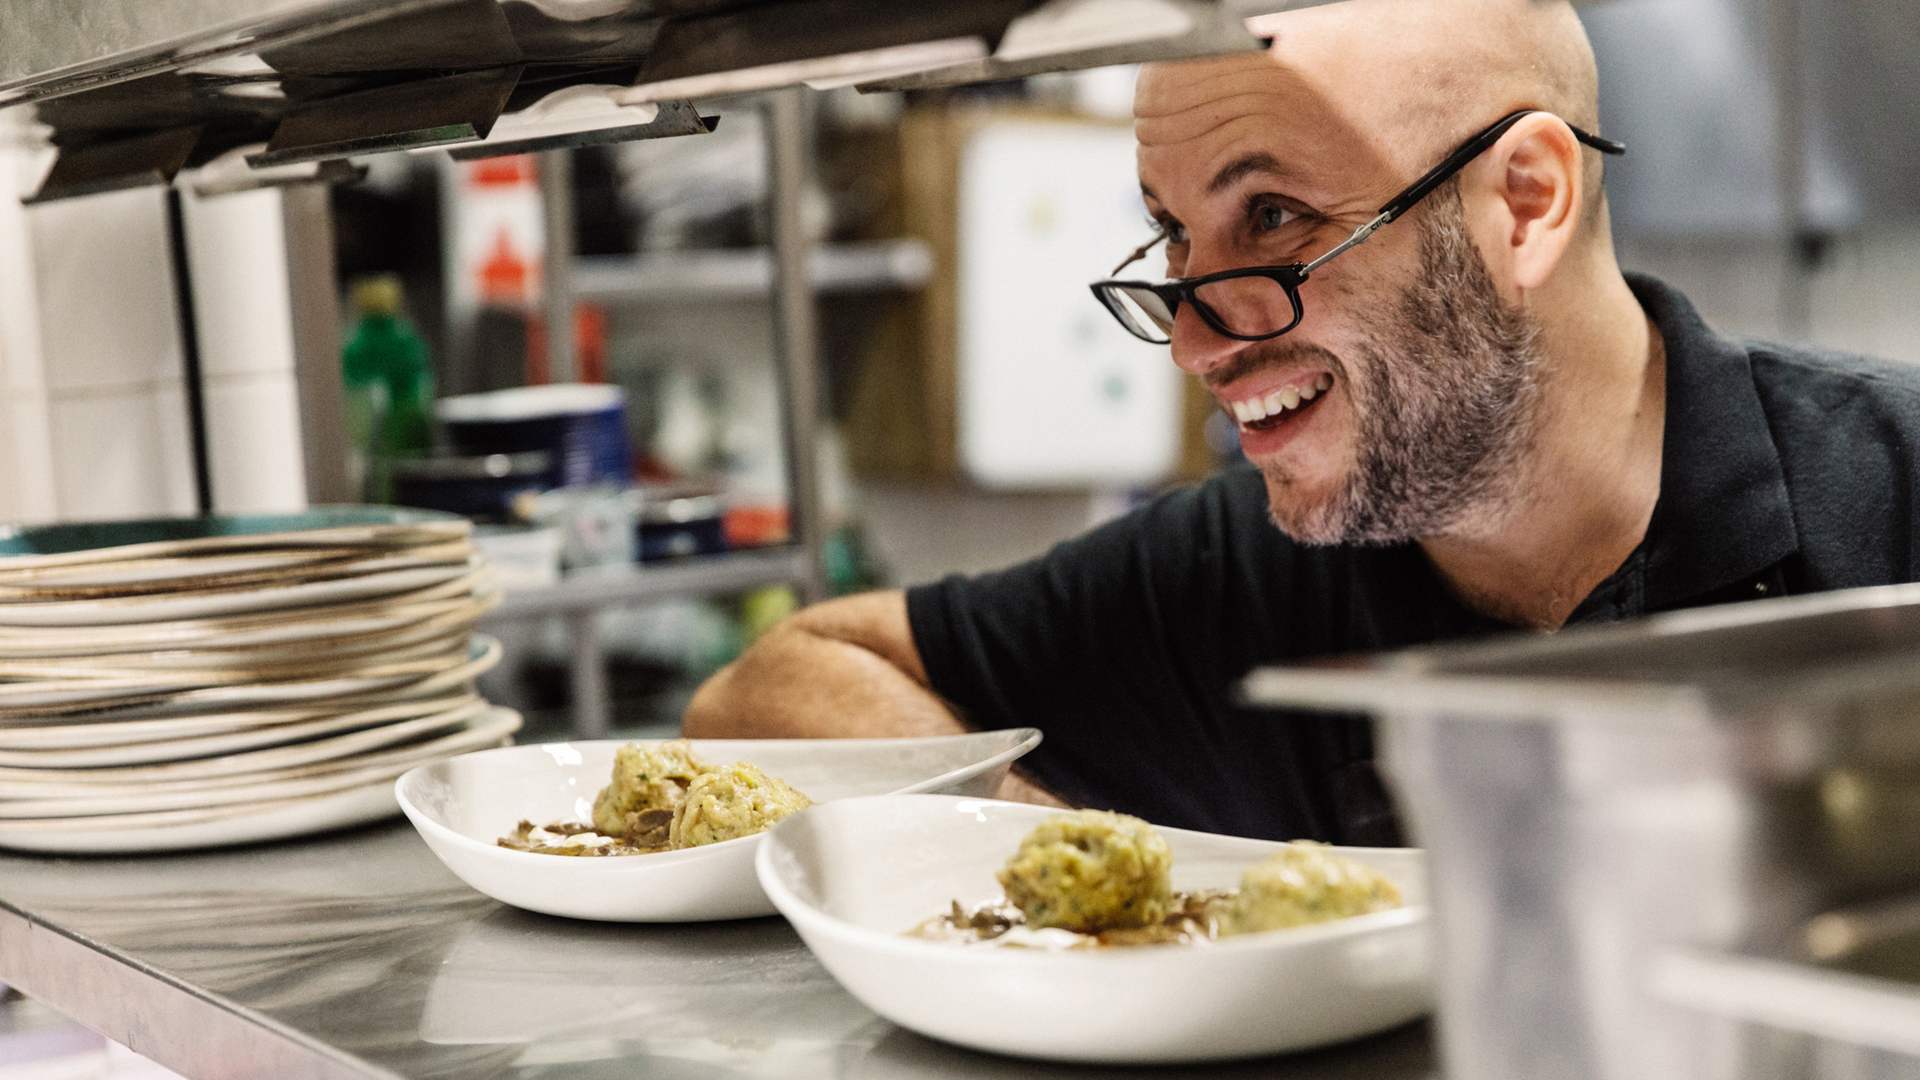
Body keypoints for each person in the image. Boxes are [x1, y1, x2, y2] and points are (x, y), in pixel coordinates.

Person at [683, 0, 1920, 844]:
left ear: (1526, 202)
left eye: (1270, 217)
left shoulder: (1890, 503)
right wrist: (1043, 855)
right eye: (1173, 233)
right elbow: (776, 684)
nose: (1193, 335)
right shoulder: (1240, 572)